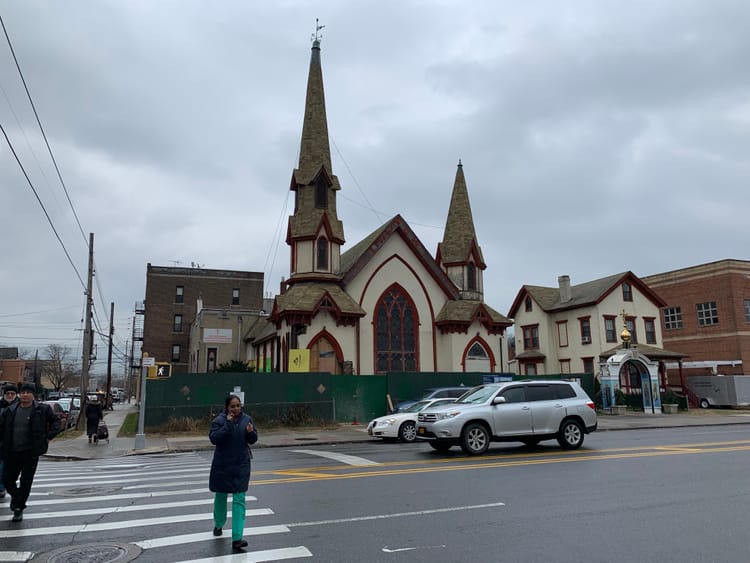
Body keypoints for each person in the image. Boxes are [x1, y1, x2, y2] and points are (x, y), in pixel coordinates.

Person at [0, 382, 60, 522]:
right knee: (8, 480)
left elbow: (56, 421)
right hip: (12, 452)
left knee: (26, 482)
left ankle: (18, 508)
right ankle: (17, 498)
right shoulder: (11, 410)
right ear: (20, 394)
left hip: (30, 453)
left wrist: (48, 437)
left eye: (28, 392)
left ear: (33, 395)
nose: (25, 395)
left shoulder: (42, 409)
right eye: (23, 392)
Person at [209, 394, 258, 552]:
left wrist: (251, 433)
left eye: (238, 405)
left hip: (241, 465)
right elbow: (214, 438)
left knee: (239, 499)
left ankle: (237, 538)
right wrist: (228, 424)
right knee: (221, 496)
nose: (236, 409)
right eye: (233, 406)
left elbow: (253, 439)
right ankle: (218, 523)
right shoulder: (219, 421)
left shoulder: (247, 419)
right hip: (223, 465)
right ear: (227, 408)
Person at [0, 384, 19, 500]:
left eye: (12, 393)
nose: (10, 395)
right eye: (8, 393)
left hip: (14, 442)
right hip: (1, 441)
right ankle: (1, 488)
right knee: (1, 466)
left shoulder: (19, 406)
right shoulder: (1, 406)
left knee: (11, 469)